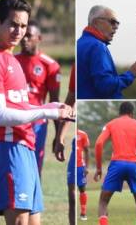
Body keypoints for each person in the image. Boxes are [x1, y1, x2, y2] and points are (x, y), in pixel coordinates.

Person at [0, 0, 73, 225]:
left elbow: (20, 106)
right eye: (12, 24)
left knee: (34, 222)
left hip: (26, 148)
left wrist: (50, 106)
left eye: (23, 26)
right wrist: (46, 113)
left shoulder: (11, 59)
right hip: (8, 148)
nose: (19, 31)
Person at [94, 102, 136, 225]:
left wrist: (99, 168)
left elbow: (99, 143)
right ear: (132, 113)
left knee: (103, 201)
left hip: (116, 164)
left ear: (119, 113)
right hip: (133, 164)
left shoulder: (111, 124)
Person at [15, 20, 61, 176]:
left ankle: (35, 200)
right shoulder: (12, 61)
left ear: (39, 38)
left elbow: (54, 103)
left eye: (29, 36)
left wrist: (58, 134)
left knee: (34, 169)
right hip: (14, 121)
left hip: (37, 124)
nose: (24, 39)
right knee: (15, 168)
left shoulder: (50, 65)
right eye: (23, 36)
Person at [77, 5, 136, 99]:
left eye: (117, 23)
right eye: (112, 22)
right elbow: (105, 86)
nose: (116, 27)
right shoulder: (97, 46)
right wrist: (130, 75)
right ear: (96, 22)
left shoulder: (79, 43)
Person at [54, 63, 77, 225]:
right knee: (72, 192)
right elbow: (70, 102)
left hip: (91, 138)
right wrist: (60, 138)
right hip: (78, 142)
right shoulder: (77, 66)